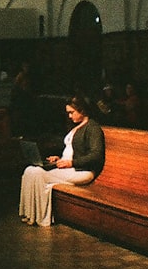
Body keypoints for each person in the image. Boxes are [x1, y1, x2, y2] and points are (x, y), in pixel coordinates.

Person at [18, 95, 106, 227]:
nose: (70, 116)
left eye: (72, 112)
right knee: (30, 170)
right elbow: (72, 150)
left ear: (82, 110)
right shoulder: (77, 127)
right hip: (69, 168)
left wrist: (71, 163)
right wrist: (60, 158)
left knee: (37, 173)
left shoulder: (92, 128)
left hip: (82, 171)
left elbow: (96, 155)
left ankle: (40, 216)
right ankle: (30, 214)